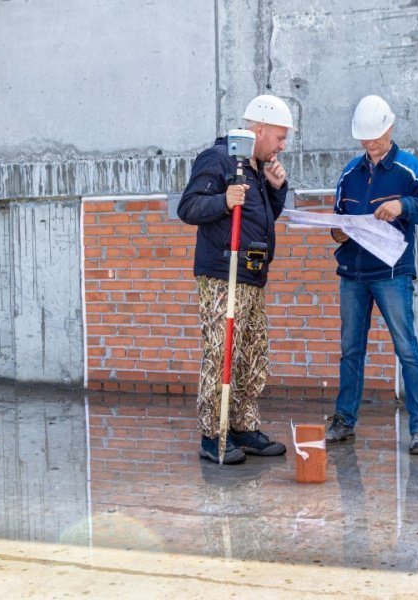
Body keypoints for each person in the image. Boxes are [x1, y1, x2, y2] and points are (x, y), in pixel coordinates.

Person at [178, 94, 294, 464]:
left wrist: (277, 189)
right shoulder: (219, 158)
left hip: (252, 276)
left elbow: (261, 219)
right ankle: (214, 435)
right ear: (259, 130)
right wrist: (224, 201)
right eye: (278, 137)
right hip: (222, 276)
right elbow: (189, 207)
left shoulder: (257, 166)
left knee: (251, 355)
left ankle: (242, 427)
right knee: (222, 353)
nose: (281, 145)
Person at [326, 95, 418, 455]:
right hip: (353, 272)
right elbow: (336, 223)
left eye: (375, 136)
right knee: (351, 351)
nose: (369, 143)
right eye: (364, 137)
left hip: (392, 273)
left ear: (390, 128)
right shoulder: (350, 173)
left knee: (407, 349)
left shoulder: (408, 169)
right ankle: (344, 421)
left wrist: (402, 205)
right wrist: (340, 232)